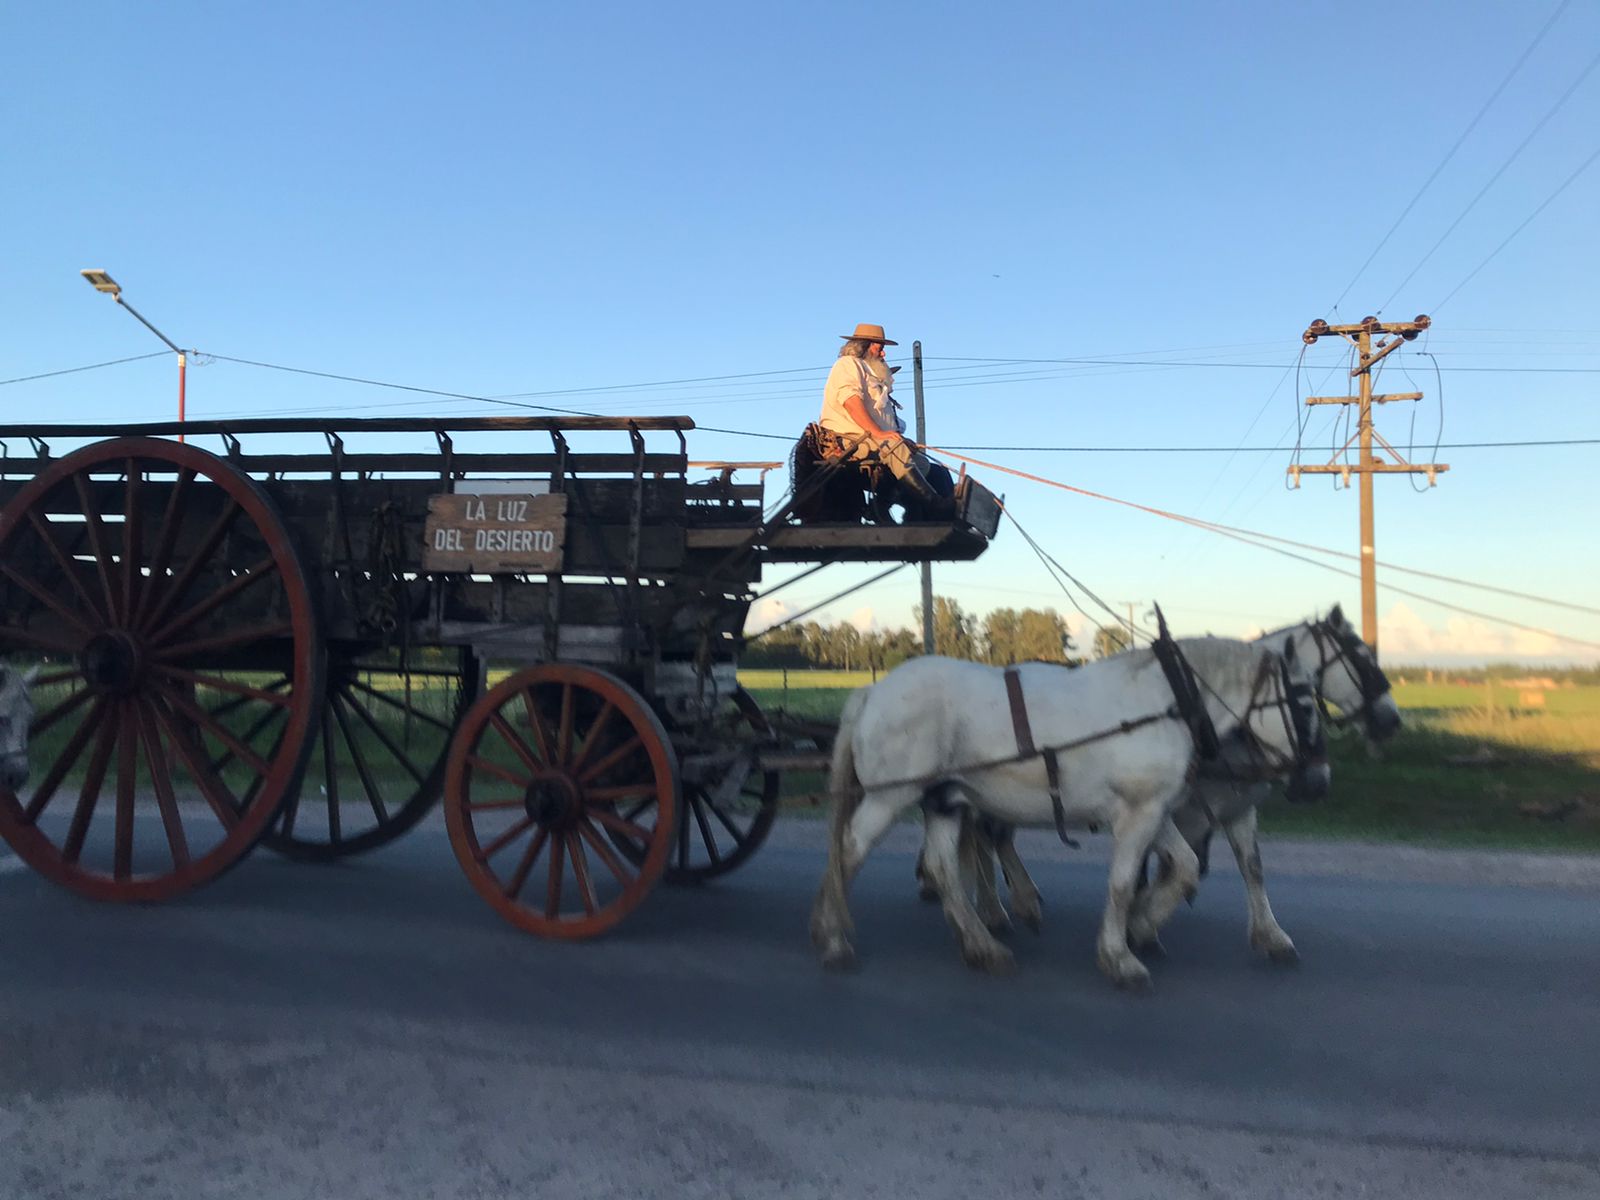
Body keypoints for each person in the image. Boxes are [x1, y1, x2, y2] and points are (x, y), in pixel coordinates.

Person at [818, 323, 947, 511]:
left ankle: (885, 505)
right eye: (880, 348)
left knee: (922, 462)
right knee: (893, 447)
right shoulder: (848, 364)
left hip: (873, 441)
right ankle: (936, 505)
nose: (883, 354)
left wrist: (899, 439)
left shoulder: (871, 376)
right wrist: (879, 433)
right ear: (864, 346)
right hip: (848, 441)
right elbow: (851, 402)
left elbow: (884, 424)